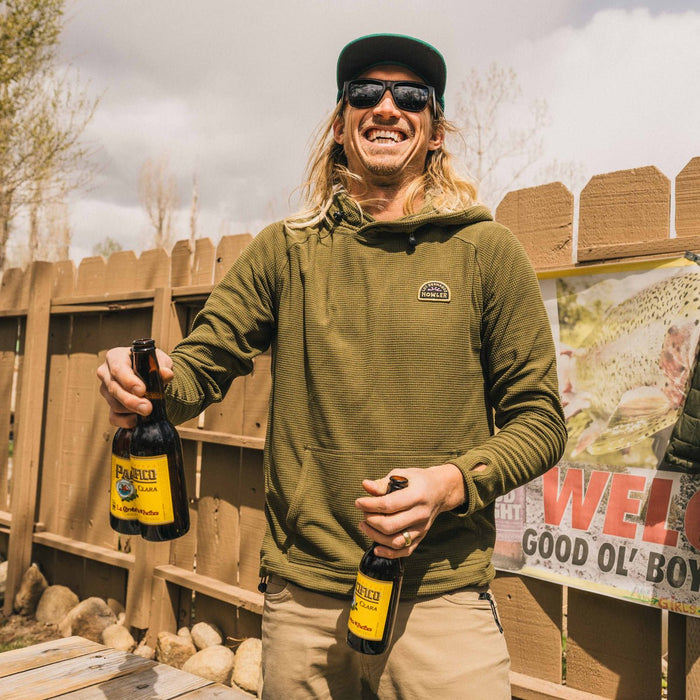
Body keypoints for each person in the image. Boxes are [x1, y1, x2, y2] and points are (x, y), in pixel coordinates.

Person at [98, 33, 567, 699]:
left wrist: (450, 483)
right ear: (341, 125)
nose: (387, 106)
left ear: (435, 133)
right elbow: (198, 368)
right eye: (365, 92)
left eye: (411, 96)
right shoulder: (286, 251)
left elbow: (541, 422)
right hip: (305, 605)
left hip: (441, 602)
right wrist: (145, 381)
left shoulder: (485, 251)